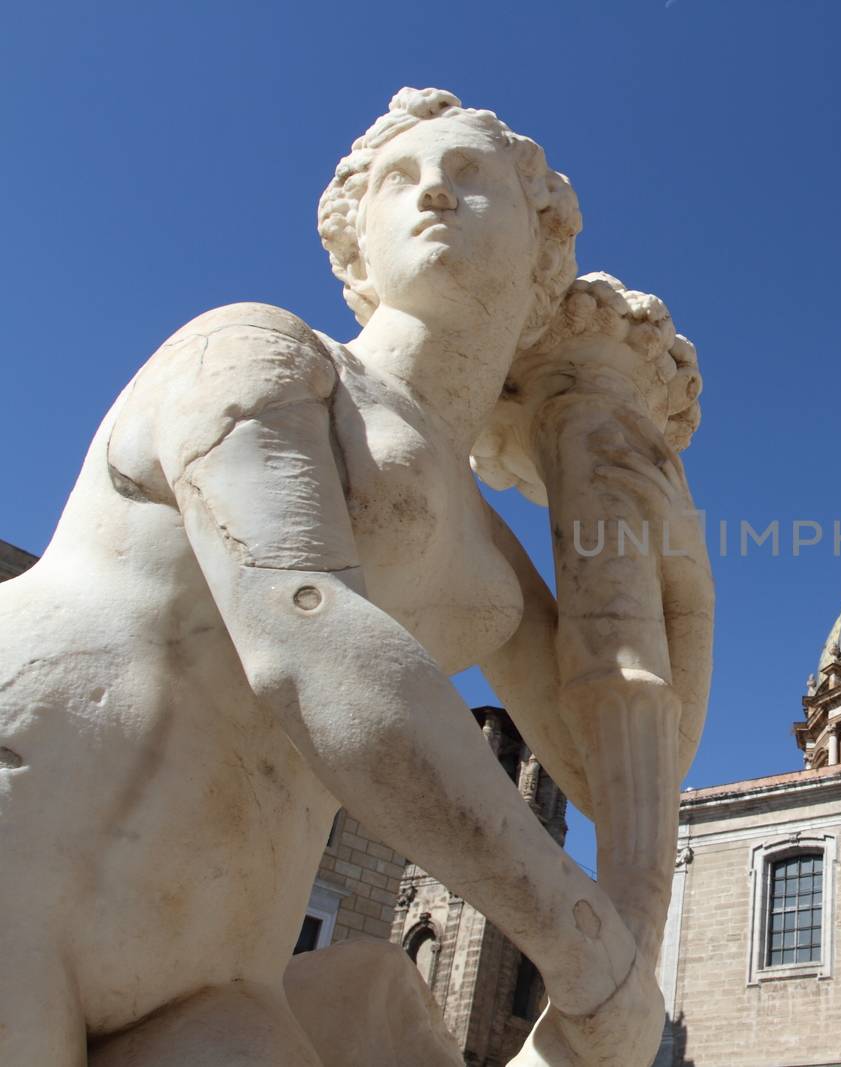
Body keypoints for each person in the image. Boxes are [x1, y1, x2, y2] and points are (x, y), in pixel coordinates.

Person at [0, 87, 711, 1067]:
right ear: (353, 240)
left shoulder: (488, 565)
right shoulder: (254, 351)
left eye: (472, 177)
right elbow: (308, 629)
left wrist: (664, 527)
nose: (431, 195)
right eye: (398, 179)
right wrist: (587, 946)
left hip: (209, 970)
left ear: (542, 247)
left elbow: (629, 766)